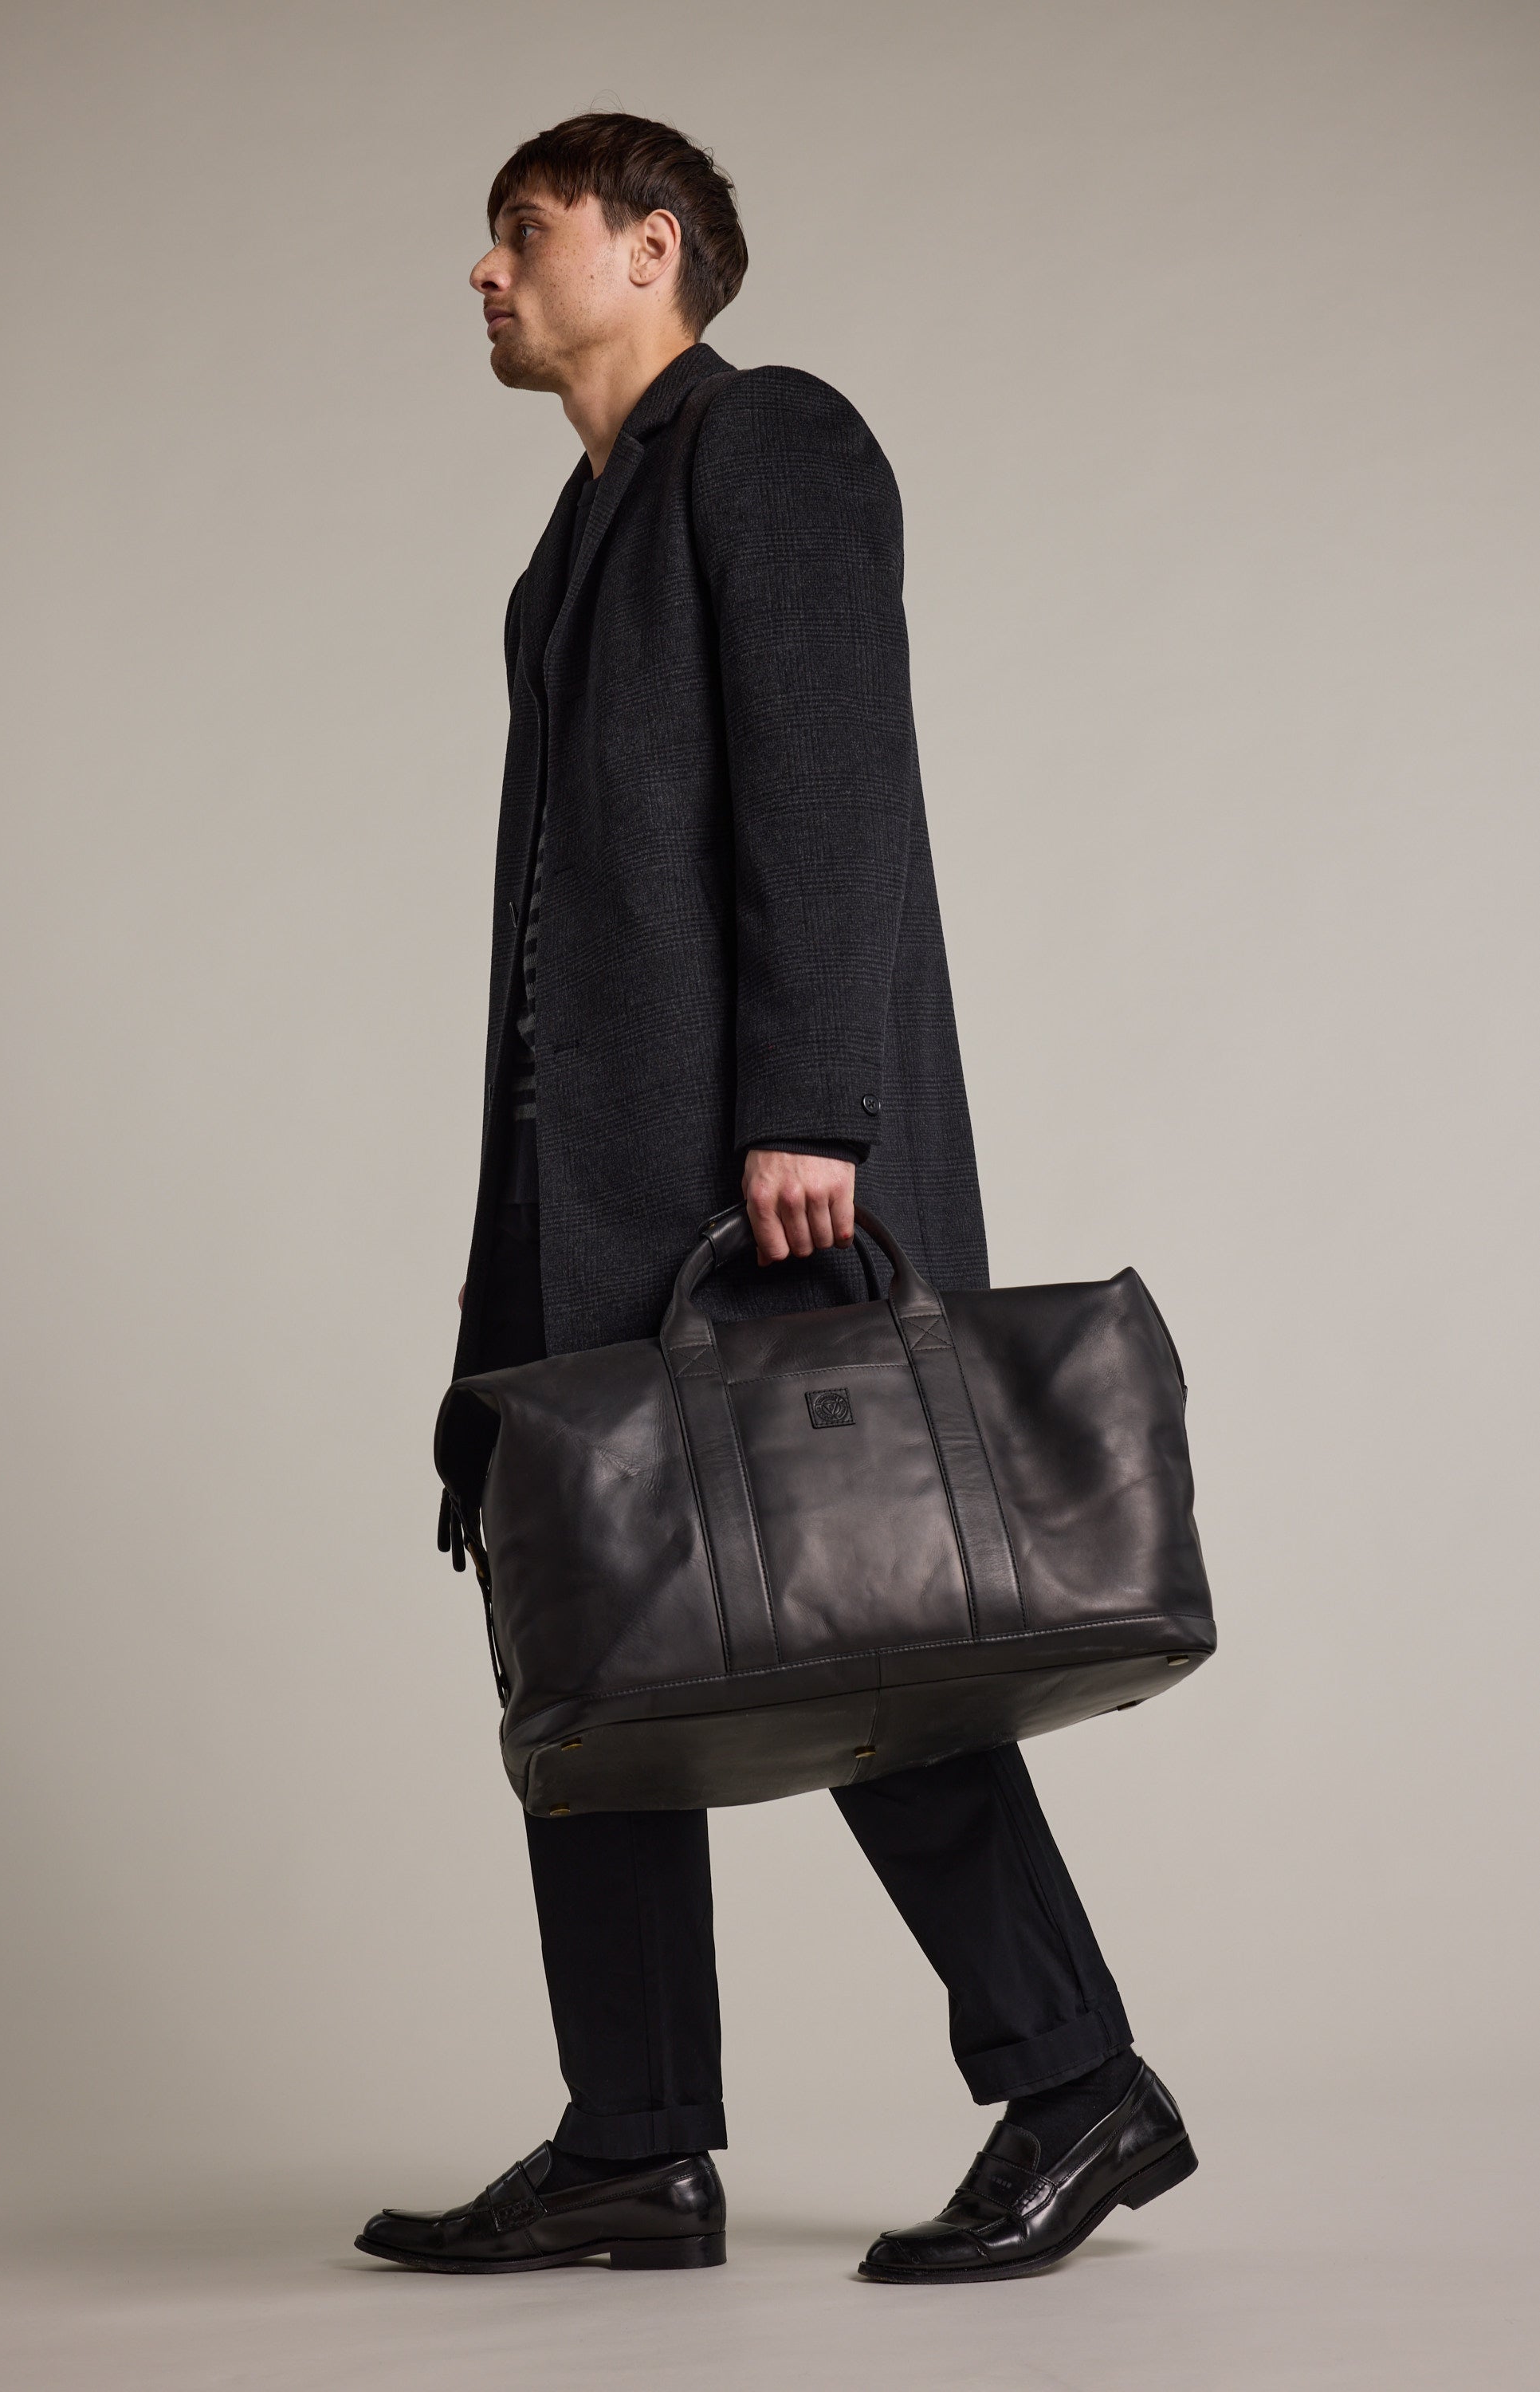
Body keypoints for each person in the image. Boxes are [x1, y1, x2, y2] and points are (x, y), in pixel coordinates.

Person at [356, 112, 1195, 2285]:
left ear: (650, 249)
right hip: (586, 1183)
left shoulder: (769, 445)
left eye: (521, 232)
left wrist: (813, 1103)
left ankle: (1076, 2086)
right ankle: (632, 2143)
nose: (482, 274)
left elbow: (829, 774)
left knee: (854, 1610)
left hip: (756, 1177)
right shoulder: (579, 534)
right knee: (596, 1639)